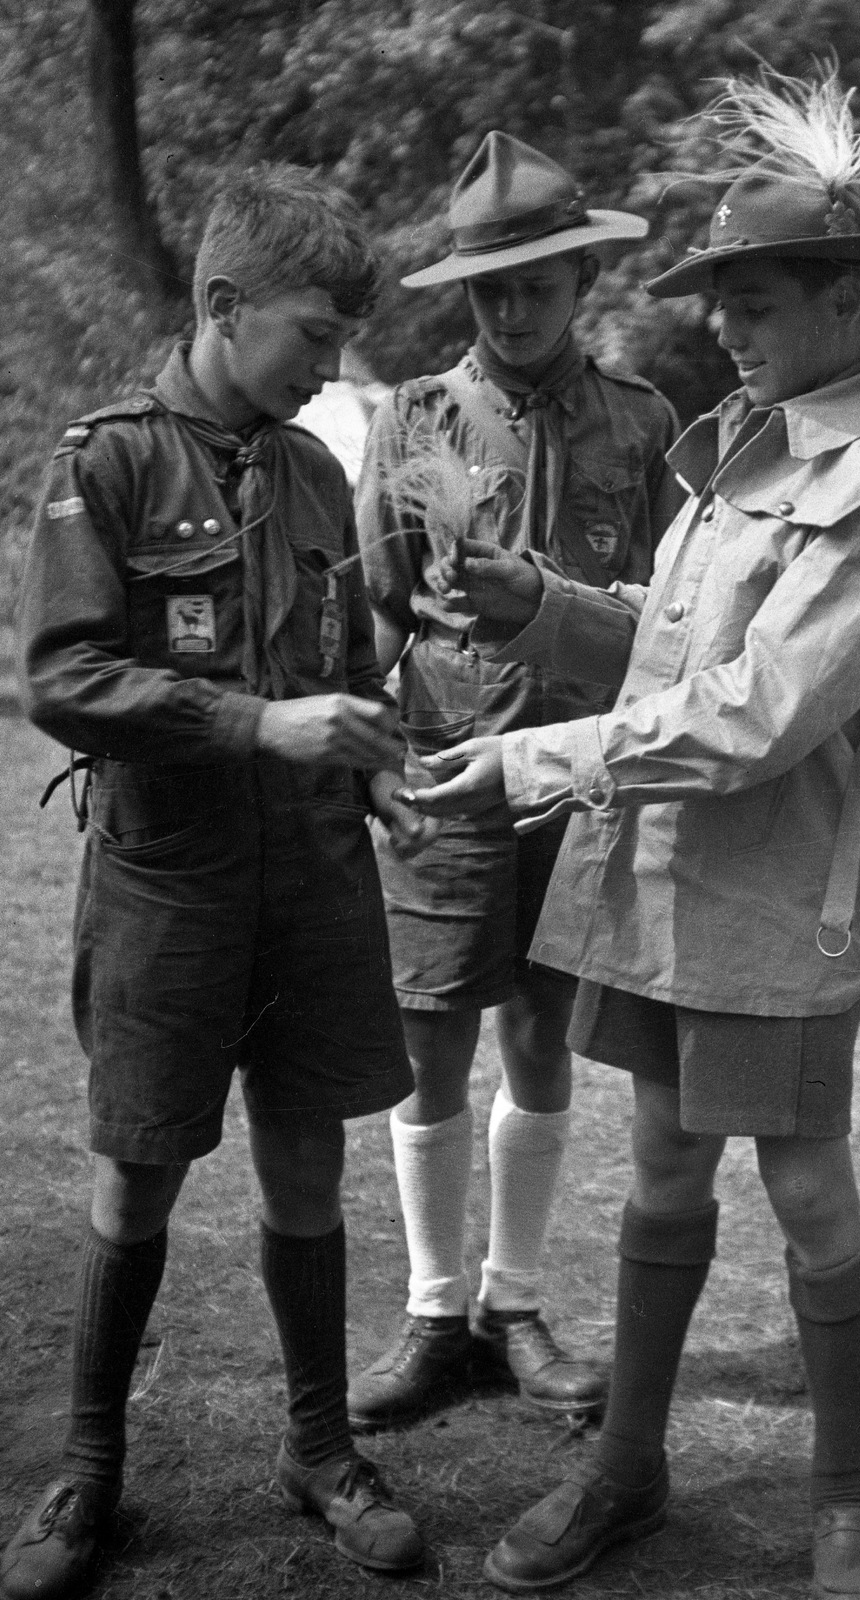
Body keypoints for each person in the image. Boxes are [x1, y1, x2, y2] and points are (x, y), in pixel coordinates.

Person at [397, 68, 860, 1598]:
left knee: (803, 1194)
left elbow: (762, 713)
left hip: (776, 900)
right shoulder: (748, 442)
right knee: (659, 1175)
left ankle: (845, 1500)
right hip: (661, 880)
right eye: (716, 296)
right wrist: (549, 613)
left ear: (850, 299)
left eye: (757, 296)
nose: (725, 324)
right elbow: (678, 660)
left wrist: (537, 759)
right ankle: (627, 1470)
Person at [0, 167, 434, 1600]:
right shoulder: (108, 464)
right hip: (168, 882)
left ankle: (319, 1452)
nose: (331, 365)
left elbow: (344, 668)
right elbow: (59, 678)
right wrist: (255, 725)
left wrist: (377, 771)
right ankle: (86, 1475)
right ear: (221, 304)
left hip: (310, 880)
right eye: (314, 333)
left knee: (309, 1167)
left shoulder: (314, 473)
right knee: (138, 1174)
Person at [347, 132, 682, 1431]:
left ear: (580, 280)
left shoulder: (642, 422)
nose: (512, 308)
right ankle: (435, 1317)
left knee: (542, 1036)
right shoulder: (414, 417)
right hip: (441, 769)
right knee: (429, 1032)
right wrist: (359, 747)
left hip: (578, 780)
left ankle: (513, 1303)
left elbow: (670, 619)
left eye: (536, 282)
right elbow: (378, 613)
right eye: (488, 287)